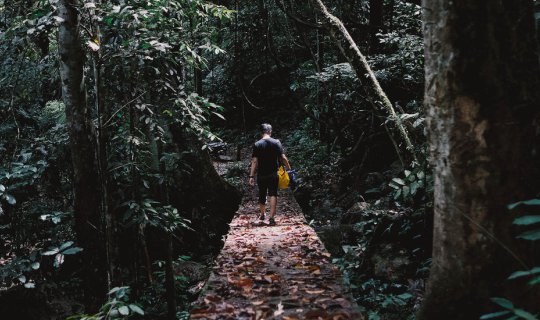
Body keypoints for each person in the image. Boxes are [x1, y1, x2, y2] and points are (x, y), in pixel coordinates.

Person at [249, 123, 291, 226]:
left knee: (262, 193)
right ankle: (271, 218)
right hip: (273, 173)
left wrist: (251, 176)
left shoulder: (257, 144)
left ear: (261, 132)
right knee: (273, 194)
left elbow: (254, 161)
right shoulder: (276, 142)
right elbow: (283, 157)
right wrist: (289, 168)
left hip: (261, 174)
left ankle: (262, 214)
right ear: (270, 131)